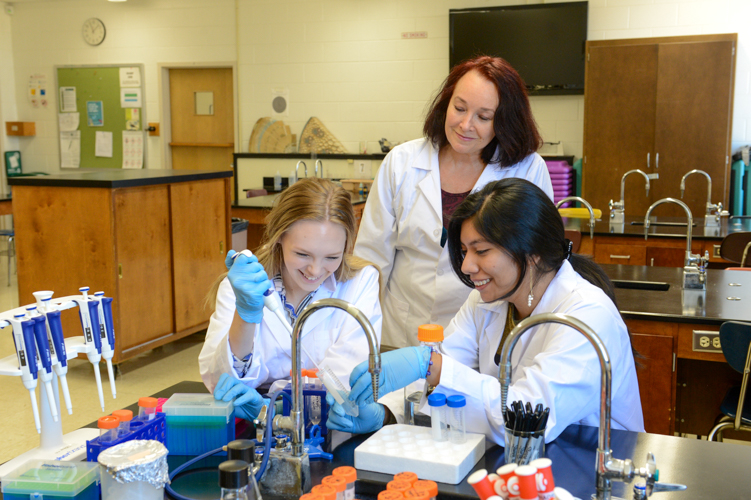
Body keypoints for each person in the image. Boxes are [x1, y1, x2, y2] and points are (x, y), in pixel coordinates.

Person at [328, 178, 644, 444]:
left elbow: (527, 420)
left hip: (587, 469)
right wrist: (385, 412)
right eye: (465, 252)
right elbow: (441, 373)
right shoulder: (489, 300)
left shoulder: (588, 316)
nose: (466, 266)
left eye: (481, 251)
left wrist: (431, 365)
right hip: (525, 466)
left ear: (531, 251)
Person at [354, 55, 553, 349]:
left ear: (505, 122)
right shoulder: (401, 162)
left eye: (484, 117)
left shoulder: (526, 169)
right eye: (459, 108)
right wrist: (357, 336)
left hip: (487, 335)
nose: (465, 124)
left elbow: (539, 262)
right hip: (401, 333)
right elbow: (371, 259)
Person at [199, 177, 382, 420]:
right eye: (302, 254)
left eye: (331, 257)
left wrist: (273, 408)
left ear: (347, 246)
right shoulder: (244, 286)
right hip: (251, 424)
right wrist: (245, 316)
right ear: (279, 237)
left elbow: (347, 381)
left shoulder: (360, 283)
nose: (315, 271)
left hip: (327, 424)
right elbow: (220, 382)